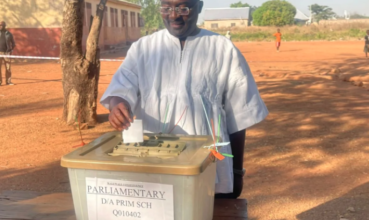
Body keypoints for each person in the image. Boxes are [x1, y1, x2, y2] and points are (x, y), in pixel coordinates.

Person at [100, 0, 268, 199]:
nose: (173, 15)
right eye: (166, 7)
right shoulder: (144, 48)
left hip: (208, 166)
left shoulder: (223, 49)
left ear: (199, 6)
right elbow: (121, 87)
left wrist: (237, 171)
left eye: (183, 8)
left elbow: (240, 116)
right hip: (153, 165)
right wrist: (117, 103)